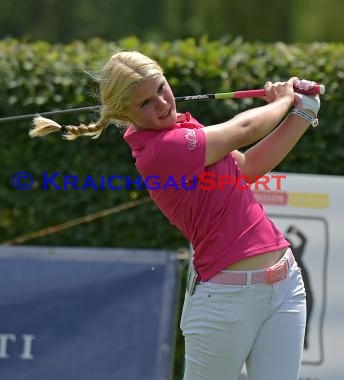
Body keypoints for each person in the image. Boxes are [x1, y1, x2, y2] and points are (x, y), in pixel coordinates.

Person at [30, 51, 320, 380]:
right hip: (225, 300)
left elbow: (248, 168)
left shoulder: (185, 128)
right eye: (145, 103)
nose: (162, 104)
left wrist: (304, 111)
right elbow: (244, 128)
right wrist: (283, 102)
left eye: (161, 89)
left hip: (284, 285)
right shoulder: (161, 150)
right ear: (125, 113)